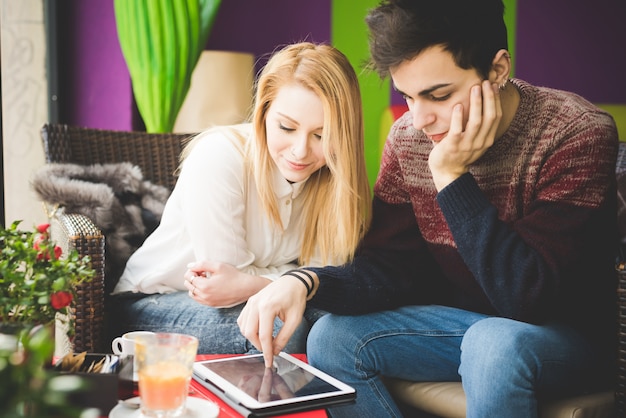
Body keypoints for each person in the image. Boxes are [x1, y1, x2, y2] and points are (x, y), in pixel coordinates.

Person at [237, 1, 619, 416]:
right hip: (461, 329)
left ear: (497, 69)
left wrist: (452, 177)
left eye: (438, 95)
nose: (418, 119)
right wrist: (304, 282)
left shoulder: (576, 133)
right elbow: (388, 266)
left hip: (561, 339)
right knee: (331, 336)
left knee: (492, 343)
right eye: (407, 96)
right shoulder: (409, 138)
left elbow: (529, 300)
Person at [110, 42, 371, 354]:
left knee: (334, 323)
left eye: (321, 135)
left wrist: (252, 284)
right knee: (286, 325)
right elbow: (224, 282)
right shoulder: (220, 156)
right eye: (287, 127)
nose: (301, 150)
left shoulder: (334, 183)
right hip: (148, 305)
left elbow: (325, 276)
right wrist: (294, 283)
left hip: (241, 302)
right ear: (263, 114)